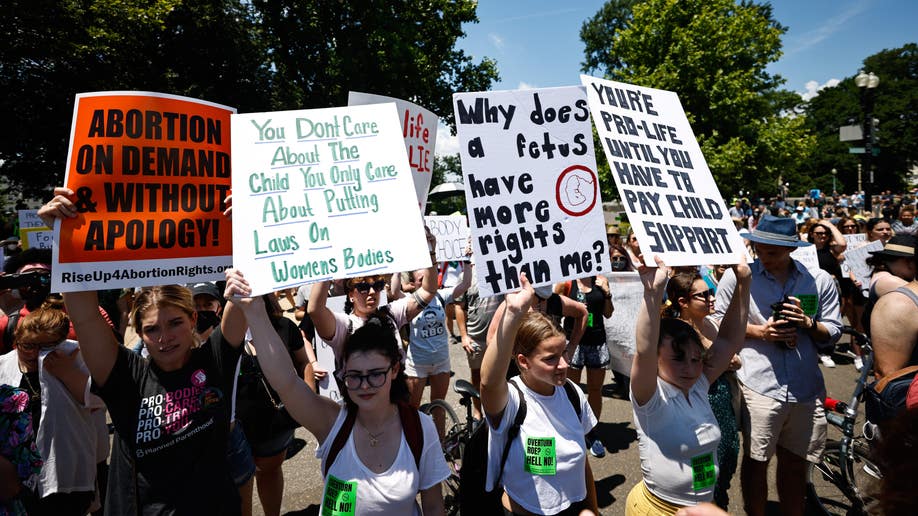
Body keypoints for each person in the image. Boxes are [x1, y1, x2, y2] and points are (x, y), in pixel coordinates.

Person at [227, 274, 449, 515]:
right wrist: (255, 312)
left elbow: (434, 505)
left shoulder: (420, 428)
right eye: (354, 376)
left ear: (394, 369)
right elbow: (286, 382)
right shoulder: (332, 422)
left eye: (375, 374)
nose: (364, 386)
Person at [713, 215, 842, 516]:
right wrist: (761, 332)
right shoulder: (739, 276)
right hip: (759, 384)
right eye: (759, 249)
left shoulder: (817, 280)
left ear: (791, 250)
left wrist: (808, 324)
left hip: (804, 387)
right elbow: (716, 321)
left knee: (796, 463)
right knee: (756, 461)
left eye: (772, 252)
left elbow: (833, 330)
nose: (763, 257)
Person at [626, 257, 750, 514]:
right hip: (659, 509)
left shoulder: (699, 385)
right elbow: (645, 348)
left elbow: (728, 339)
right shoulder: (650, 396)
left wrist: (743, 281)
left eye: (696, 359)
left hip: (701, 506)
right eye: (678, 358)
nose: (690, 368)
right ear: (656, 360)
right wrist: (652, 292)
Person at [480, 273, 599, 515]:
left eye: (563, 353)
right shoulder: (512, 400)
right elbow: (489, 383)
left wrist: (591, 509)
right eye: (550, 359)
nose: (564, 365)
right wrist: (512, 315)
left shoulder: (572, 393)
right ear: (523, 361)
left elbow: (582, 463)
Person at [661, 270, 744, 510]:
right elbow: (731, 359)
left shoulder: (708, 322)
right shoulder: (678, 332)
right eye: (703, 295)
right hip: (699, 403)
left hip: (722, 398)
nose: (711, 299)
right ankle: (706, 507)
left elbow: (731, 358)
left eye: (712, 293)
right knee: (705, 464)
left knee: (728, 454)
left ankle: (716, 503)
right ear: (683, 302)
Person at [307, 229, 439, 371]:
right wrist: (325, 259)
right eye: (363, 287)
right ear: (351, 295)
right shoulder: (344, 326)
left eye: (377, 286)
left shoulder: (391, 314)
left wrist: (430, 252)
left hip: (396, 392)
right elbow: (315, 310)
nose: (372, 292)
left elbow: (428, 290)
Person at [235, 293, 314, 516]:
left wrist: (309, 398)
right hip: (236, 427)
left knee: (269, 473)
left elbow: (304, 361)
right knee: (241, 483)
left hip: (275, 425)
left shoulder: (284, 326)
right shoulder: (225, 336)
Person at [396, 263, 470, 437]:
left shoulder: (441, 296)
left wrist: (467, 261)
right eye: (422, 279)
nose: (427, 281)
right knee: (412, 410)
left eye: (429, 277)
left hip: (441, 362)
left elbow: (465, 284)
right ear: (413, 283)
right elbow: (393, 291)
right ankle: (413, 445)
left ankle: (441, 446)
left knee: (439, 406)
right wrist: (398, 264)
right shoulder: (410, 300)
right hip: (417, 365)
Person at [557, 275, 613, 458]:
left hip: (596, 342)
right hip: (574, 342)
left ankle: (592, 431)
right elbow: (554, 308)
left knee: (595, 389)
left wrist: (607, 293)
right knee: (570, 389)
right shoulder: (567, 281)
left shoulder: (600, 281)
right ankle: (571, 428)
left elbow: (608, 313)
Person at [808, 221, 847, 368]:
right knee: (813, 316)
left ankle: (826, 350)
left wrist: (827, 224)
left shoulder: (832, 250)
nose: (822, 236)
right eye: (818, 233)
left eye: (825, 233)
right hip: (811, 287)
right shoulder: (806, 248)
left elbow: (842, 244)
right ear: (812, 234)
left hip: (832, 287)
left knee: (831, 316)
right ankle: (816, 349)